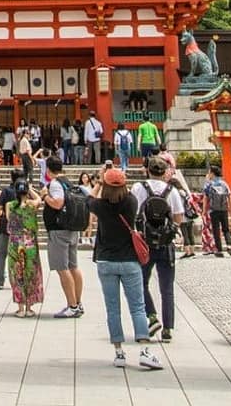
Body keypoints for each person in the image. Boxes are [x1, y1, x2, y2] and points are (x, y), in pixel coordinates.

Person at [86, 167, 163, 371]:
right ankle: (145, 351)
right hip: (129, 260)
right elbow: (126, 192)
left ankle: (119, 352)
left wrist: (100, 183)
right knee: (137, 307)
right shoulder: (131, 202)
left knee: (113, 309)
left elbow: (88, 199)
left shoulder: (100, 206)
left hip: (106, 261)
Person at [133, 155, 185, 343]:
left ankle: (152, 316)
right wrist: (170, 230)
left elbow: (134, 212)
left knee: (140, 282)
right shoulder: (171, 191)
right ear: (165, 173)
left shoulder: (139, 188)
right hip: (166, 243)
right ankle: (168, 328)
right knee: (167, 287)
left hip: (144, 242)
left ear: (148, 170)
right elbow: (179, 217)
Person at [41, 156, 84, 319]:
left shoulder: (55, 184)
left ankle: (72, 305)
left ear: (48, 169)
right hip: (71, 228)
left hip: (59, 230)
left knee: (62, 268)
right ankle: (77, 303)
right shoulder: (68, 181)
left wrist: (45, 196)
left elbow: (58, 203)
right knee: (74, 266)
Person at [4, 179, 44, 318]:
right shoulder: (32, 205)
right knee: (30, 273)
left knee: (17, 274)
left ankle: (20, 308)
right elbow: (39, 198)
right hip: (30, 243)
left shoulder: (9, 205)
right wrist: (31, 189)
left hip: (15, 243)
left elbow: (9, 219)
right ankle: (28, 307)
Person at [202, 166, 231, 257]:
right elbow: (229, 196)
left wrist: (204, 210)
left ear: (212, 173)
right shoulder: (224, 183)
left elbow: (205, 198)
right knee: (226, 228)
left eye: (209, 172)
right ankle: (229, 246)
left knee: (216, 230)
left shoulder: (209, 184)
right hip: (224, 209)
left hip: (213, 210)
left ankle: (219, 249)